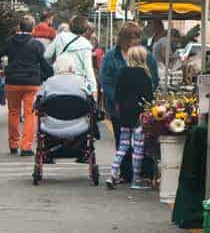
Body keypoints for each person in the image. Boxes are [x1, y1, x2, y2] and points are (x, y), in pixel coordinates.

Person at [100, 22, 160, 181]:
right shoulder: (111, 56)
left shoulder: (146, 55)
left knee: (144, 140)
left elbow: (153, 78)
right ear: (124, 39)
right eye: (133, 37)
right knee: (122, 140)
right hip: (119, 107)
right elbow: (106, 81)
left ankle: (144, 172)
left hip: (141, 107)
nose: (137, 40)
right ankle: (126, 173)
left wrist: (145, 99)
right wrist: (120, 99)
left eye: (138, 37)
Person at [0, 14, 54, 155]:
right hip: (31, 82)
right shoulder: (37, 44)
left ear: (20, 26)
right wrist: (51, 74)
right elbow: (43, 63)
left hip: (12, 81)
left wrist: (1, 68)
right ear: (33, 29)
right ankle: (26, 147)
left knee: (13, 113)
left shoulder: (10, 41)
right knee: (30, 114)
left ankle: (13, 144)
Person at [105, 44, 153, 190]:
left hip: (124, 114)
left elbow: (118, 94)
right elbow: (148, 98)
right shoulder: (145, 75)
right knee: (138, 147)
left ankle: (113, 173)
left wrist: (120, 108)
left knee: (123, 145)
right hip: (139, 115)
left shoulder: (122, 72)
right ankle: (136, 178)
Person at [46, 14, 97, 96]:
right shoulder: (86, 44)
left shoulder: (60, 37)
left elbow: (47, 55)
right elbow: (88, 69)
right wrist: (94, 89)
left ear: (70, 26)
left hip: (59, 80)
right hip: (79, 84)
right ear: (85, 29)